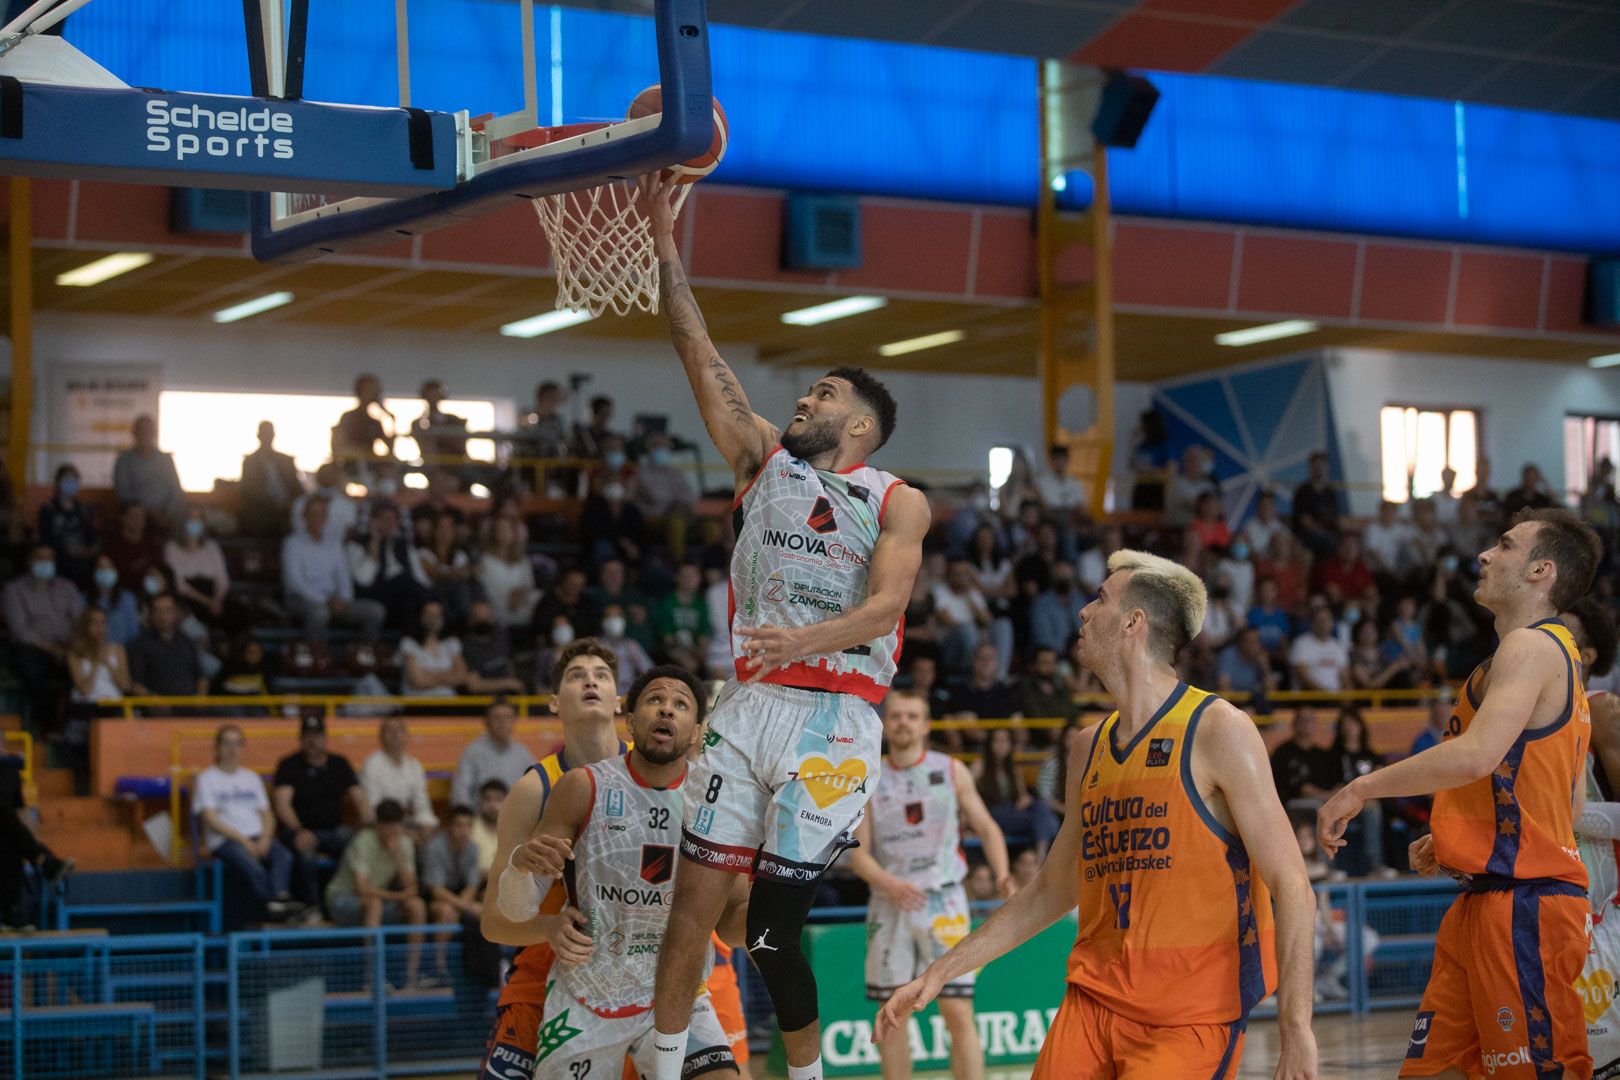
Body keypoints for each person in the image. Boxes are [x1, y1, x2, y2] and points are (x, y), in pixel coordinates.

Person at [639, 170, 930, 1080]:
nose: (806, 399)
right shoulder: (759, 460)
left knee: (769, 932)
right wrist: (661, 237)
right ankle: (659, 1063)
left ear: (864, 425)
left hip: (836, 717)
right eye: (804, 390)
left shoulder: (896, 498)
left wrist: (798, 643)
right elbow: (698, 349)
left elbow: (886, 608)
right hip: (750, 706)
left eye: (825, 393)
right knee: (690, 908)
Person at [877, 549, 1318, 1077]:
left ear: (1134, 622)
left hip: (1189, 1014)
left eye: (1101, 598)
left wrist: (1296, 1030)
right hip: (1092, 1002)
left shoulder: (1218, 729)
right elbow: (1051, 890)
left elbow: (1292, 884)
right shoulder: (1088, 747)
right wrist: (939, 972)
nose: (1084, 612)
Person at [1318, 508, 1603, 1077]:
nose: (1484, 555)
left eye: (1504, 546)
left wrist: (1359, 788)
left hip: (1526, 906)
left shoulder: (1533, 648)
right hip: (1489, 902)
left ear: (1539, 571)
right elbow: (1563, 805)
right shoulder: (1543, 658)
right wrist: (1463, 826)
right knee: (1433, 1071)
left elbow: (1475, 754)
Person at [514, 664, 746, 1079]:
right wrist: (523, 875)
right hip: (588, 997)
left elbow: (732, 924)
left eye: (680, 705)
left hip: (680, 993)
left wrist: (785, 897)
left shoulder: (718, 804)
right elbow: (518, 902)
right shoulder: (582, 786)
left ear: (695, 731)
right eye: (655, 700)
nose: (666, 711)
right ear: (632, 720)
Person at [479, 640, 627, 1078]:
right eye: (576, 675)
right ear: (553, 702)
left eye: (601, 674)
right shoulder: (533, 789)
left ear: (619, 700)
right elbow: (492, 922)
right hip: (542, 980)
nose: (590, 680)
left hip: (628, 987)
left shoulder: (653, 776)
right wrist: (547, 926)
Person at [849, 689, 1012, 1080]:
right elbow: (855, 852)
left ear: (925, 725)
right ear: (886, 724)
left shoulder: (950, 770)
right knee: (891, 1014)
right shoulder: (868, 776)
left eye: (912, 716)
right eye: (897, 715)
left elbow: (988, 828)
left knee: (958, 1011)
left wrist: (1004, 875)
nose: (903, 722)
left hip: (944, 902)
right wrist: (887, 882)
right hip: (890, 905)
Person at [193, 724, 302, 923]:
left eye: (237, 744)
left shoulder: (251, 778)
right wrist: (244, 841)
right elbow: (210, 818)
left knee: (283, 855)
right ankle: (274, 905)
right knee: (250, 863)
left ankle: (279, 898)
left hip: (257, 836)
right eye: (227, 744)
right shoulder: (207, 778)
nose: (232, 749)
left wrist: (265, 838)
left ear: (243, 747)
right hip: (225, 841)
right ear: (217, 748)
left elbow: (267, 814)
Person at [324, 799, 429, 985]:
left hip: (377, 901)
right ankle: (373, 978)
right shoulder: (363, 841)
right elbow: (362, 889)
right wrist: (398, 897)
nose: (394, 830)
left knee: (417, 906)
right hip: (343, 899)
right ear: (378, 825)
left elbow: (411, 887)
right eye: (389, 825)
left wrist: (398, 857)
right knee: (374, 903)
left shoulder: (403, 843)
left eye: (397, 825)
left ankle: (412, 975)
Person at [273, 715, 370, 910]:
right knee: (306, 851)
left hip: (334, 831)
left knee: (359, 842)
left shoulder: (339, 763)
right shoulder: (289, 765)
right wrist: (299, 830)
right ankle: (313, 906)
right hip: (300, 830)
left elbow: (359, 797)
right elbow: (282, 804)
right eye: (307, 736)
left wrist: (369, 826)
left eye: (317, 735)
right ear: (300, 739)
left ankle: (347, 902)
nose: (312, 741)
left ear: (325, 738)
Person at [283, 497, 385, 643]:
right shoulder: (292, 544)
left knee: (375, 611)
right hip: (301, 599)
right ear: (304, 516)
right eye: (313, 514)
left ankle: (360, 655)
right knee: (319, 613)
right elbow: (295, 583)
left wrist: (344, 599)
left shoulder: (334, 543)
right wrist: (325, 600)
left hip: (334, 600)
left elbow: (343, 576)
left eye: (321, 514)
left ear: (326, 517)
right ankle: (318, 657)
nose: (317, 519)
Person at [2, 545, 83, 728]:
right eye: (41, 558)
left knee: (84, 664)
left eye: (50, 559)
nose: (46, 563)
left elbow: (79, 622)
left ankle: (76, 723)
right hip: (33, 648)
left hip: (66, 646)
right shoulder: (14, 589)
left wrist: (68, 648)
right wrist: (52, 649)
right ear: (30, 561)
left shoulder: (67, 587)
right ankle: (48, 723)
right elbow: (20, 631)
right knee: (32, 671)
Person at [0, 749, 72, 930]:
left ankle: (10, 913)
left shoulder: (9, 770)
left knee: (11, 842)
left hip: (6, 833)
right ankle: (45, 861)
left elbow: (20, 809)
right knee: (7, 822)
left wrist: (29, 840)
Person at [971, 727, 1059, 852]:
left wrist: (1024, 801)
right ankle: (1041, 860)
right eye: (998, 741)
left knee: (1042, 807)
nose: (1002, 745)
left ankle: (1040, 855)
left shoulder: (1013, 767)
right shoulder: (979, 765)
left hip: (1012, 810)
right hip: (992, 811)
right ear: (989, 744)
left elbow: (1023, 796)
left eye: (1006, 741)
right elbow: (968, 794)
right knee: (1050, 823)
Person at [421, 804, 483, 980]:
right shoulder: (434, 847)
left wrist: (463, 905)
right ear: (449, 826)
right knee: (446, 911)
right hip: (431, 898)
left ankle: (489, 969)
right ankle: (438, 967)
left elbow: (472, 885)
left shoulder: (473, 848)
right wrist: (463, 906)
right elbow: (436, 890)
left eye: (468, 826)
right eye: (459, 825)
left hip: (458, 897)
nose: (464, 831)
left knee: (486, 908)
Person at [347, 502, 430, 631]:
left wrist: (429, 599)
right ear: (373, 521)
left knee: (411, 602)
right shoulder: (357, 546)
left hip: (400, 600)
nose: (389, 524)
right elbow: (364, 580)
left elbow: (421, 579)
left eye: (393, 519)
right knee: (402, 579)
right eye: (384, 519)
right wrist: (374, 544)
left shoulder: (404, 547)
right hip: (373, 596)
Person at [358, 717, 439, 836]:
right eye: (390, 731)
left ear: (407, 736)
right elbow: (374, 809)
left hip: (412, 824)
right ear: (381, 737)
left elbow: (422, 803)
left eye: (400, 730)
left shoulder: (414, 765)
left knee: (437, 842)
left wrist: (427, 826)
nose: (396, 734)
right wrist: (402, 830)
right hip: (382, 826)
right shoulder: (372, 765)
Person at [450, 699, 535, 812]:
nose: (503, 723)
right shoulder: (473, 752)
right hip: (480, 820)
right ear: (486, 722)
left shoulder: (523, 754)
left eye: (508, 718)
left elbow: (536, 791)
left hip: (516, 820)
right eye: (497, 718)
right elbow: (461, 794)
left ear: (515, 721)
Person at [126, 592, 207, 700]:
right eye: (158, 611)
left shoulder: (186, 641)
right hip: (159, 708)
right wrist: (154, 699)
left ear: (175, 613)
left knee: (230, 710)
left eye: (168, 610)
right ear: (151, 614)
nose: (163, 616)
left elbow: (201, 677)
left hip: (190, 705)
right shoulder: (139, 645)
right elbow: (135, 685)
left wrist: (200, 700)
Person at [112, 414, 184, 527]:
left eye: (148, 430)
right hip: (136, 518)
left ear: (154, 433)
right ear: (134, 433)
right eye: (141, 430)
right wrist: (147, 512)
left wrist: (167, 514)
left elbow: (175, 491)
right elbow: (123, 493)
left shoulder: (166, 460)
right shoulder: (124, 460)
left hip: (166, 517)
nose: (145, 434)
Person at [165, 506, 228, 626]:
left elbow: (222, 579)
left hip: (213, 595)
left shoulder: (212, 546)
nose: (195, 523)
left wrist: (216, 600)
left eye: (198, 519)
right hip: (188, 598)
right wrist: (207, 602)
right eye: (191, 519)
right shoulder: (172, 548)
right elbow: (179, 584)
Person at [37, 463, 98, 588]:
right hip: (60, 561)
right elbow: (46, 540)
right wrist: (68, 550)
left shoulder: (84, 509)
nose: (71, 482)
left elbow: (91, 536)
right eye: (66, 479)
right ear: (58, 482)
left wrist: (86, 551)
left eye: (74, 479)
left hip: (83, 559)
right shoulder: (48, 509)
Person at [239, 420, 304, 537]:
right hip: (261, 512)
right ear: (258, 436)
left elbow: (297, 487)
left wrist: (292, 503)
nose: (267, 437)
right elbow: (250, 490)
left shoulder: (287, 461)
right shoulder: (250, 462)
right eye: (264, 433)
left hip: (288, 511)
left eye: (269, 433)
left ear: (274, 435)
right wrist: (275, 504)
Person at [476, 515, 538, 630]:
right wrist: (510, 597)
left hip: (521, 603)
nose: (502, 532)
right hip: (497, 605)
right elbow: (486, 588)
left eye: (506, 529)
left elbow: (529, 585)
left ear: (513, 533)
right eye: (499, 529)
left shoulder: (523, 560)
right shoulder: (486, 559)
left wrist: (520, 594)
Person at [1271, 707, 1339, 808]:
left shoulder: (1323, 755)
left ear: (1316, 725)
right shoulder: (1283, 753)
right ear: (1294, 724)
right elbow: (1297, 788)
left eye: (1310, 720)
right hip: (1291, 807)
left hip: (1324, 804)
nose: (1307, 724)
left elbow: (1334, 784)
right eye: (1303, 720)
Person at [398, 600, 467, 698]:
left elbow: (462, 676)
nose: (433, 618)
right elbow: (417, 681)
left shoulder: (451, 643)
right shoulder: (409, 643)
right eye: (429, 614)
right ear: (420, 616)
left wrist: (427, 674)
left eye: (437, 614)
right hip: (419, 703)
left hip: (448, 702)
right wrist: (448, 675)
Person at [654, 561, 711, 674]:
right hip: (672, 649)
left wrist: (700, 651)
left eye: (693, 576)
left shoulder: (701, 604)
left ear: (699, 579)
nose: (689, 580)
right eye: (685, 576)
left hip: (694, 649)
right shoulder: (667, 603)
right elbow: (667, 638)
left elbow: (704, 636)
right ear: (677, 578)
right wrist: (686, 648)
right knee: (689, 663)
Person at [332, 373, 394, 473]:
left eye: (375, 390)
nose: (373, 394)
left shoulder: (375, 422)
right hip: (351, 465)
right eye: (369, 389)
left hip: (370, 466)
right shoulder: (348, 417)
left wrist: (390, 420)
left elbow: (390, 448)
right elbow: (338, 445)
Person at [461, 601, 527, 695]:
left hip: (510, 695)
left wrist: (514, 684)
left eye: (486, 615)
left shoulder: (501, 638)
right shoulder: (466, 647)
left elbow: (510, 666)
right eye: (479, 616)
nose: (483, 619)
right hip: (485, 699)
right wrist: (508, 683)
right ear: (470, 620)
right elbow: (474, 686)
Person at [1291, 450, 1340, 557]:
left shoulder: (1330, 493)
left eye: (1322, 466)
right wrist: (1322, 532)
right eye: (1315, 466)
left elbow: (1335, 518)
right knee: (1329, 543)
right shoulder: (1303, 491)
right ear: (1310, 468)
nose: (1319, 470)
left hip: (1328, 533)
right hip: (1306, 535)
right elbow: (1304, 520)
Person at [1289, 607, 1350, 692]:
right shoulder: (1301, 643)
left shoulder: (1338, 646)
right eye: (1320, 620)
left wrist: (1345, 695)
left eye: (1328, 619)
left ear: (1332, 623)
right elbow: (1302, 676)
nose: (1324, 623)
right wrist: (1324, 695)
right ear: (1312, 623)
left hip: (1335, 698)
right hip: (1309, 697)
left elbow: (1345, 676)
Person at [87, 554, 141, 647]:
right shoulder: (83, 599)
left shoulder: (127, 598)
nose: (105, 571)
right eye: (101, 568)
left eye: (109, 567)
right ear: (94, 572)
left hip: (125, 653)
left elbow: (134, 633)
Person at [1036, 444, 1086, 512]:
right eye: (1056, 458)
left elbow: (1081, 503)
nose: (1059, 462)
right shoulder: (1041, 481)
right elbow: (1043, 506)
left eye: (1063, 458)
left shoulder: (1075, 482)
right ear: (1051, 460)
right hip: (1051, 515)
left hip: (1072, 515)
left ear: (1067, 460)